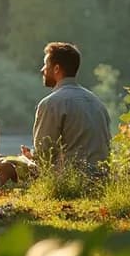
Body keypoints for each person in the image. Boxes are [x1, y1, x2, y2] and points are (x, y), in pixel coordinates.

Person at [19, 42, 111, 175]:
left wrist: (29, 159)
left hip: (69, 180)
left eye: (45, 65)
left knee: (10, 165)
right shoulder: (97, 103)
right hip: (101, 180)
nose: (42, 70)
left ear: (56, 69)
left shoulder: (51, 103)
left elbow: (44, 156)